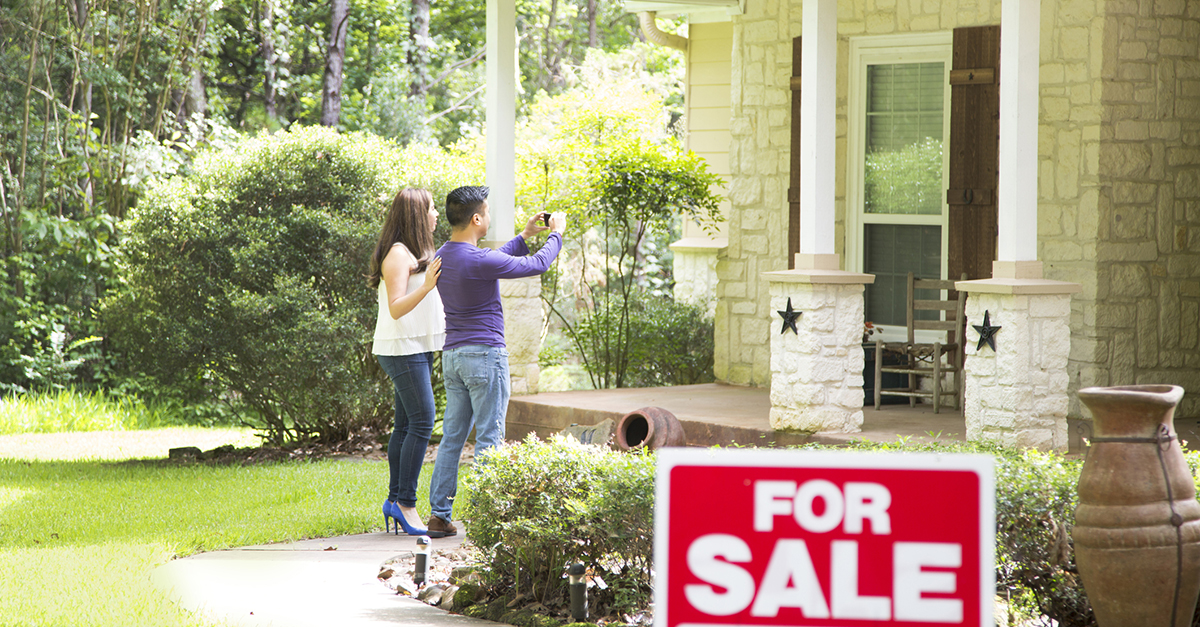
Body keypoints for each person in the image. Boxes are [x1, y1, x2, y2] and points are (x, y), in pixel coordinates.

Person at [425, 185, 566, 537]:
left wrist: (524, 235)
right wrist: (557, 234)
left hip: (453, 357)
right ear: (476, 218)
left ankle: (439, 516)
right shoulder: (477, 259)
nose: (489, 216)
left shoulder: (445, 254)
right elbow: (538, 264)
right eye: (487, 212)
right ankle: (488, 519)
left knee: (453, 438)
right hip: (485, 356)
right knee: (490, 437)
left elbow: (489, 264)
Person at [369, 187, 445, 536]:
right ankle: (405, 503)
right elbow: (397, 307)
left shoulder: (413, 253)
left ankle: (393, 500)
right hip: (401, 347)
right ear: (417, 215)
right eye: (430, 210)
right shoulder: (398, 255)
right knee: (422, 422)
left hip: (413, 346)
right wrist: (427, 286)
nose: (435, 216)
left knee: (404, 425)